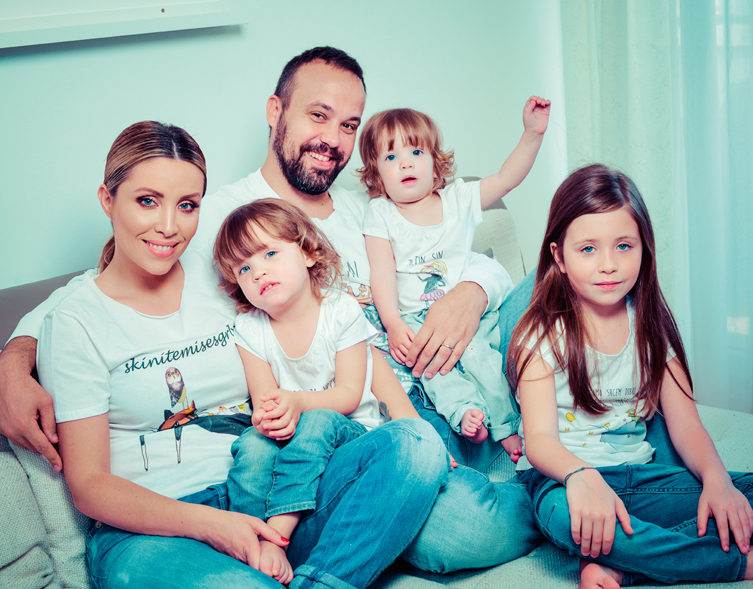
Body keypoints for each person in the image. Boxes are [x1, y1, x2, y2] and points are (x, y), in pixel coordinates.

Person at [0, 45, 547, 573]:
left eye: (349, 125)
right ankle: (547, 489)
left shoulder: (373, 204)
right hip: (369, 422)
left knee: (565, 266)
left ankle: (568, 456)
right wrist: (13, 361)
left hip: (456, 371)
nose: (332, 140)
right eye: (318, 115)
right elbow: (95, 290)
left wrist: (471, 293)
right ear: (275, 111)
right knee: (468, 532)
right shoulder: (219, 218)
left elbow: (464, 251)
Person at [34, 121, 447, 588]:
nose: (168, 226)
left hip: (265, 497)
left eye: (187, 205)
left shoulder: (224, 277)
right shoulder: (73, 320)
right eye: (147, 201)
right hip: (149, 532)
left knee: (417, 444)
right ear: (108, 201)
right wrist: (215, 525)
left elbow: (327, 316)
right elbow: (89, 487)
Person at [508, 163, 753, 587]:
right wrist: (581, 477)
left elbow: (687, 425)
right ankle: (732, 563)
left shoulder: (651, 326)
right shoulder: (542, 334)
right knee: (566, 519)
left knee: (739, 494)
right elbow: (540, 441)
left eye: (623, 246)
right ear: (559, 257)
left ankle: (619, 564)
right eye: (588, 249)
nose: (608, 264)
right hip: (565, 484)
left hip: (640, 479)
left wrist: (716, 480)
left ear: (645, 249)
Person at [359, 102, 548, 457]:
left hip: (469, 317)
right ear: (376, 175)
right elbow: (380, 272)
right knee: (434, 373)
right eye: (391, 157)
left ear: (436, 163)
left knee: (482, 361)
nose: (405, 163)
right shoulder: (381, 213)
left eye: (416, 152)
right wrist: (394, 323)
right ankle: (465, 416)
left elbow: (507, 178)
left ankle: (506, 426)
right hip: (414, 320)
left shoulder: (459, 199)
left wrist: (532, 134)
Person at [213, 199, 383, 583]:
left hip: (350, 436)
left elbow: (349, 395)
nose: (258, 271)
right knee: (252, 444)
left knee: (318, 420)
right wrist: (268, 417)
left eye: (270, 253)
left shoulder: (341, 310)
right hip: (292, 438)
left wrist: (297, 402)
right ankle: (251, 541)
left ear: (308, 253)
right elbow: (265, 401)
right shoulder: (251, 330)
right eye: (244, 268)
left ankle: (277, 536)